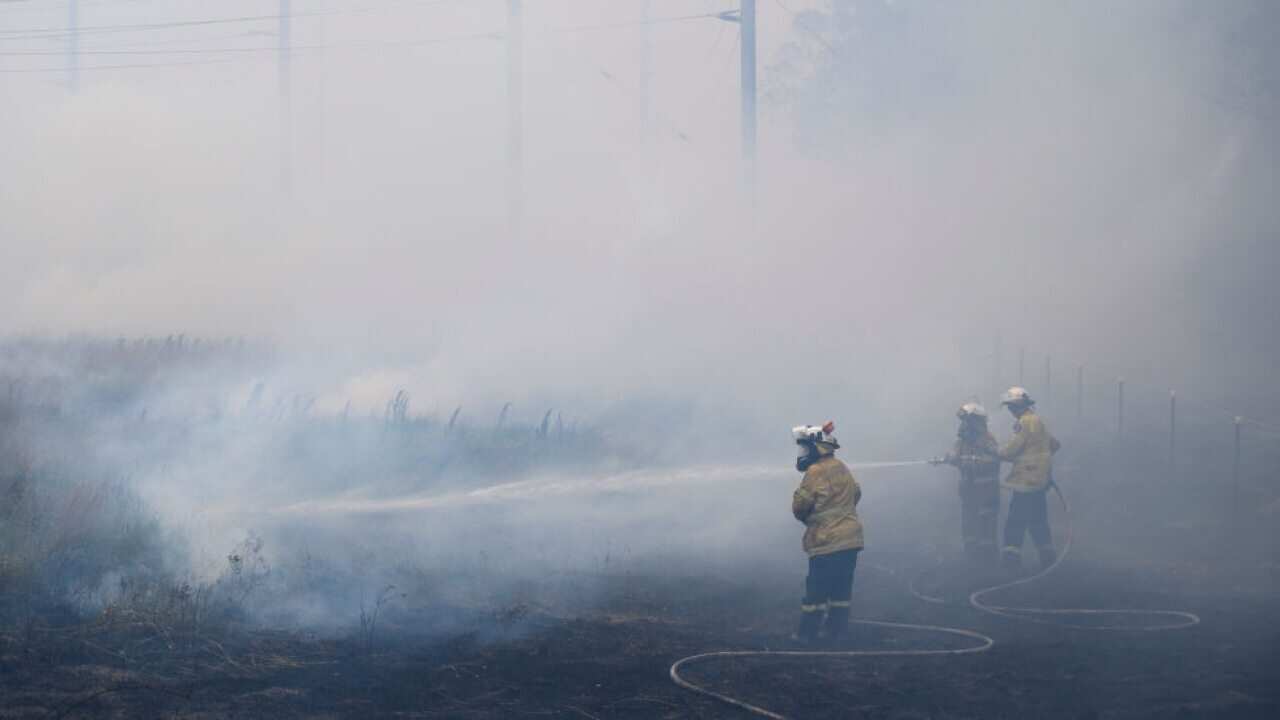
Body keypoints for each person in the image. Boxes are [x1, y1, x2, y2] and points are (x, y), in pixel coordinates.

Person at [791, 421, 864, 644]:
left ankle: (807, 634)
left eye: (805, 448)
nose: (803, 453)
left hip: (826, 541)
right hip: (850, 540)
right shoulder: (841, 466)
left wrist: (812, 515)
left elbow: (800, 507)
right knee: (841, 590)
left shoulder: (815, 471)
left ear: (817, 447)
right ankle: (837, 632)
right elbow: (856, 493)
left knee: (816, 591)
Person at [997, 387, 1062, 571]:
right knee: (1038, 519)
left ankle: (1011, 560)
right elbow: (1054, 445)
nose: (1010, 411)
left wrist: (996, 452)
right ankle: (1047, 557)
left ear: (1016, 406)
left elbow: (1011, 449)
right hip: (1041, 481)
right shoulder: (1038, 421)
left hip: (1025, 481)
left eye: (1010, 407)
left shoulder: (1023, 422)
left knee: (1015, 520)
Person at [940, 402, 1001, 566]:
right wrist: (949, 458)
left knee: (986, 521)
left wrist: (969, 462)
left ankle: (988, 556)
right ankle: (971, 554)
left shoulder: (988, 440)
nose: (963, 425)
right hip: (969, 489)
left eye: (967, 421)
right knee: (968, 520)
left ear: (977, 422)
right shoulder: (962, 441)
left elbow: (995, 460)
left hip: (987, 490)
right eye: (963, 421)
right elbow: (955, 454)